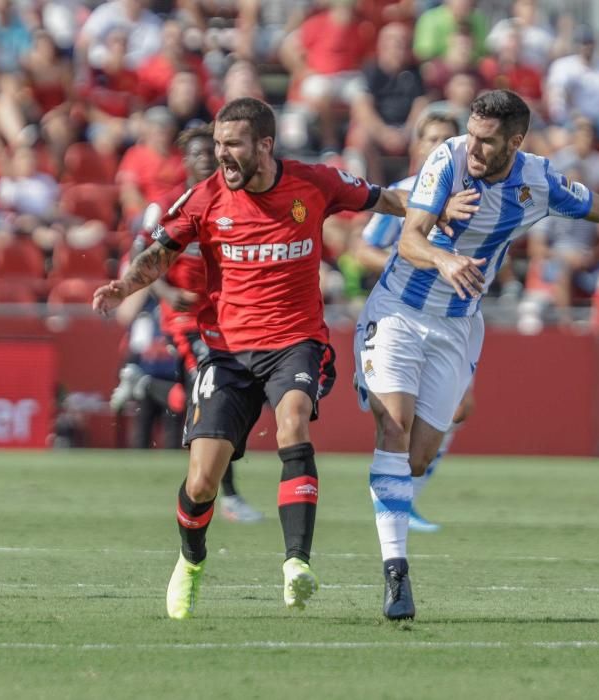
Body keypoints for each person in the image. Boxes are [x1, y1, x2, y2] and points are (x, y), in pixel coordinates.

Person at [355, 89, 599, 620]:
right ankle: (396, 575)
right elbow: (409, 238)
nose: (474, 149)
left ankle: (394, 515)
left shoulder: (537, 180)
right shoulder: (447, 158)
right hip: (398, 313)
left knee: (413, 458)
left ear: (515, 141)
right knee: (393, 429)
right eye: (472, 135)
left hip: (457, 326)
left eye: (486, 141)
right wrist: (443, 258)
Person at [93, 97, 421, 620]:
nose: (222, 155)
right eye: (218, 144)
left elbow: (384, 199)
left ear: (264, 146)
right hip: (225, 352)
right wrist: (125, 284)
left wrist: (438, 211)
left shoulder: (315, 184)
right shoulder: (203, 198)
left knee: (293, 421)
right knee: (202, 481)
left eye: (233, 145)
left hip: (295, 341)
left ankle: (296, 564)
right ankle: (190, 561)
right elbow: (161, 251)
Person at [353, 109, 472, 533]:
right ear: (417, 146)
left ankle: (406, 494)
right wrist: (406, 261)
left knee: (457, 410)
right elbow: (362, 248)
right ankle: (398, 504)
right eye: (431, 139)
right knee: (395, 420)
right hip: (400, 316)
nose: (438, 147)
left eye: (447, 139)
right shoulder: (404, 193)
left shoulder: (473, 197)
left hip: (454, 319)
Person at [142, 123, 264, 523]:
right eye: (194, 152)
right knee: (213, 395)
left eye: (206, 152)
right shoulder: (169, 204)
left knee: (228, 395)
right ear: (184, 159)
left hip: (228, 318)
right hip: (184, 319)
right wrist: (163, 292)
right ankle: (228, 495)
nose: (202, 158)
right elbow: (140, 256)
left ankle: (148, 387)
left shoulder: (235, 199)